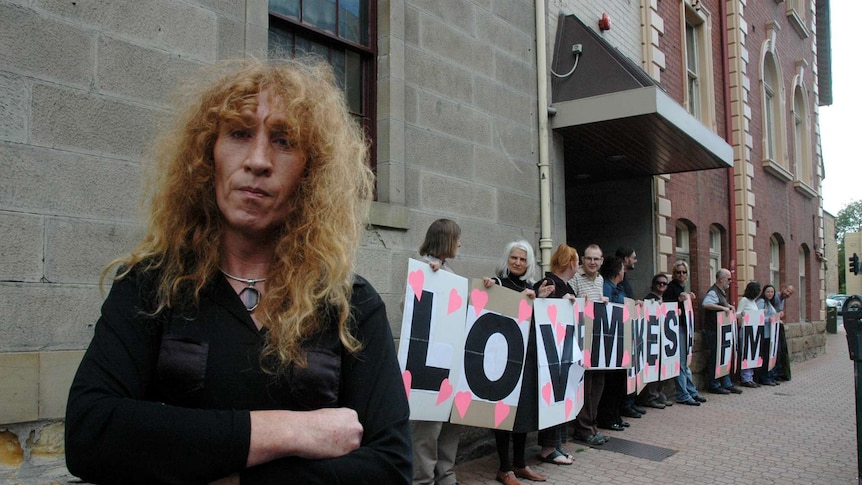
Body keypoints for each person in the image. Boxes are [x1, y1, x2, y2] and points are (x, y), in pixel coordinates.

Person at [64, 58, 411, 484]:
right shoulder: (151, 287)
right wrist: (288, 431)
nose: (259, 160)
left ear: (311, 172)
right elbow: (90, 431)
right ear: (207, 155)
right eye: (240, 133)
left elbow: (392, 467)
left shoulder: (350, 305)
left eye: (284, 140)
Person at [482, 240, 554, 484]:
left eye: (523, 259)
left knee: (522, 412)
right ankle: (504, 468)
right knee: (502, 413)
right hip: (502, 361)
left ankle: (520, 464)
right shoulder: (497, 284)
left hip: (527, 359)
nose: (518, 262)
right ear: (506, 258)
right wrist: (488, 289)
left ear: (529, 263)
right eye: (514, 258)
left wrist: (541, 300)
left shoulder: (532, 287)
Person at [412, 218, 463, 485]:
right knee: (427, 429)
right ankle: (422, 480)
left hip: (451, 364)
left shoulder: (450, 273)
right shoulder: (421, 270)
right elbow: (407, 309)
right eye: (456, 239)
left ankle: (445, 477)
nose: (460, 244)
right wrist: (430, 280)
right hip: (428, 367)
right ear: (446, 241)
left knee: (449, 426)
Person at [533, 244, 581, 467]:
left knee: (560, 397)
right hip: (550, 355)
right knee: (553, 397)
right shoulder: (551, 285)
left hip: (560, 354)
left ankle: (556, 445)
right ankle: (549, 448)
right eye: (577, 260)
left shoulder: (562, 285)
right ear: (571, 262)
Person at [569, 244, 609, 445]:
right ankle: (583, 429)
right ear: (583, 260)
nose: (592, 262)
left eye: (596, 259)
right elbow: (569, 306)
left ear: (601, 261)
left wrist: (604, 303)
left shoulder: (601, 280)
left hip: (598, 341)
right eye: (589, 259)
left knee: (598, 385)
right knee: (586, 385)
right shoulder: (576, 278)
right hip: (582, 341)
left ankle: (593, 425)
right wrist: (578, 301)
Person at [664, 261, 705, 406]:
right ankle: (683, 394)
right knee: (681, 363)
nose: (681, 275)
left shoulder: (682, 287)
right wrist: (678, 300)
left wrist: (687, 298)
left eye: (683, 272)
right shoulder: (671, 288)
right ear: (674, 274)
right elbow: (666, 306)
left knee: (686, 362)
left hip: (685, 327)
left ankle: (691, 391)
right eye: (678, 272)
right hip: (676, 329)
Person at [596, 257, 629, 433]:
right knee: (611, 383)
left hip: (620, 340)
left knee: (619, 382)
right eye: (623, 269)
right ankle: (607, 417)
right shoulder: (606, 288)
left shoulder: (617, 288)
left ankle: (616, 415)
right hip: (610, 341)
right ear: (617, 271)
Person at [614, 247, 647, 419]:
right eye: (633, 257)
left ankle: (630, 403)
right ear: (625, 259)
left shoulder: (624, 279)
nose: (636, 261)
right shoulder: (617, 281)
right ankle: (624, 405)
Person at [702, 268, 743, 395]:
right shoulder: (714, 292)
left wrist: (728, 306)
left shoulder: (721, 292)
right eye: (728, 279)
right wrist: (722, 307)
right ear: (721, 280)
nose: (730, 282)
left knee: (724, 357)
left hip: (721, 330)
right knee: (716, 357)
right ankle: (714, 384)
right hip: (714, 330)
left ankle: (726, 383)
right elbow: (706, 304)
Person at [636, 273, 673, 409]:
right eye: (659, 283)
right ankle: (650, 397)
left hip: (663, 339)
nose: (661, 285)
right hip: (652, 340)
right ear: (654, 284)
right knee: (653, 370)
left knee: (662, 370)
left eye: (664, 283)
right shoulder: (650, 299)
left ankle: (658, 394)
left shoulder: (663, 299)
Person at [736, 281, 762, 388]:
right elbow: (737, 314)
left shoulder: (753, 302)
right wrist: (742, 314)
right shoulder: (744, 300)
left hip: (754, 330)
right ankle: (745, 377)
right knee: (746, 352)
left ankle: (750, 377)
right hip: (745, 330)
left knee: (752, 353)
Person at [756, 284, 779, 386]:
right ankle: (764, 377)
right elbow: (757, 316)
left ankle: (770, 376)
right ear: (764, 292)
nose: (770, 294)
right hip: (764, 333)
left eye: (772, 292)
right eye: (768, 292)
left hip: (770, 333)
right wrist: (768, 320)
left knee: (770, 356)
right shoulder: (761, 302)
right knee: (764, 356)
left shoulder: (769, 303)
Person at [771, 285, 795, 381]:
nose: (788, 294)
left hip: (777, 326)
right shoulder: (775, 297)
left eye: (790, 293)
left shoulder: (782, 299)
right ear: (783, 288)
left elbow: (779, 310)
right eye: (787, 291)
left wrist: (781, 313)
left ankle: (779, 373)